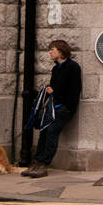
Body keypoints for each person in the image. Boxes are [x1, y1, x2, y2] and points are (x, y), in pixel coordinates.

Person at [22, 39, 82, 178]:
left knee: (51, 133)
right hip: (52, 107)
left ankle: (44, 164)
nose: (50, 52)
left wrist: (67, 107)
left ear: (61, 52)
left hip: (63, 109)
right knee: (43, 132)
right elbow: (55, 88)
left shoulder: (73, 67)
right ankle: (36, 162)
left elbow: (74, 90)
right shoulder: (56, 69)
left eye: (52, 50)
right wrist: (50, 90)